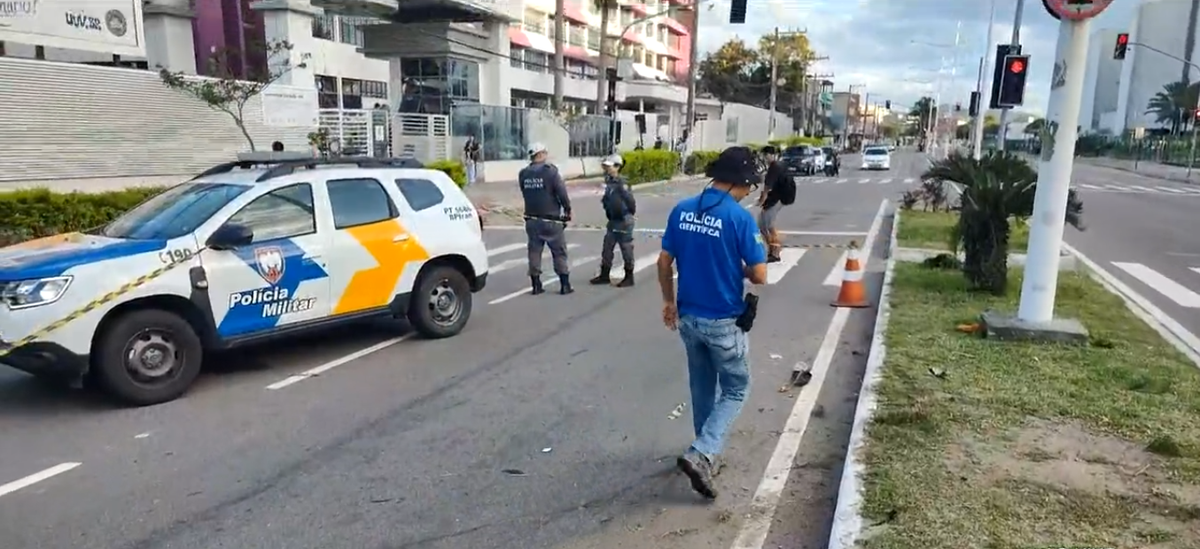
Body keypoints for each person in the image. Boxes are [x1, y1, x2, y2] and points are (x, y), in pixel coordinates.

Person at [656, 146, 768, 499]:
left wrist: (668, 302)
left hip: (688, 317)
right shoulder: (739, 218)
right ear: (740, 182)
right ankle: (702, 453)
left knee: (702, 387)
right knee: (736, 387)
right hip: (723, 320)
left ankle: (705, 452)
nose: (750, 190)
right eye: (750, 184)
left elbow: (663, 262)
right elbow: (760, 275)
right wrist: (743, 265)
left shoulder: (683, 209)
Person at [519, 142, 573, 295]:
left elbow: (525, 192)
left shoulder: (523, 173)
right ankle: (565, 284)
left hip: (532, 219)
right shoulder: (551, 172)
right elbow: (562, 193)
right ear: (541, 154)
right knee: (559, 251)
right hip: (551, 219)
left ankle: (536, 285)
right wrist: (567, 210)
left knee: (534, 252)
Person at [590, 154, 636, 288]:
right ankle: (605, 275)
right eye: (606, 167)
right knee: (607, 247)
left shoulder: (622, 182)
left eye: (609, 167)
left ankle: (629, 276)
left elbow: (630, 201)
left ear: (617, 167)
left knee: (626, 247)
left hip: (623, 219)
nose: (606, 169)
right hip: (613, 219)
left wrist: (628, 214)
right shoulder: (610, 181)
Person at [756, 145, 794, 263]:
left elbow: (767, 187)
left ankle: (775, 252)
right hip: (776, 198)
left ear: (771, 155)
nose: (764, 158)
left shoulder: (774, 167)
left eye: (765, 155)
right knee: (762, 225)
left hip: (776, 199)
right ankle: (771, 250)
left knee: (768, 226)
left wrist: (761, 201)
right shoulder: (779, 165)